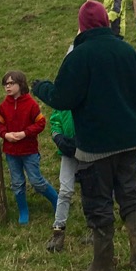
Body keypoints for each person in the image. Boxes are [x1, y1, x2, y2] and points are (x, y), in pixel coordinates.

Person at [32, 1, 136, 271]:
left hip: (96, 145)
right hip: (132, 138)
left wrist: (42, 87)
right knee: (131, 196)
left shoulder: (79, 56)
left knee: (98, 202)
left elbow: (63, 98)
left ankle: (103, 265)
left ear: (82, 25)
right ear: (106, 22)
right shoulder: (126, 50)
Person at [0, 70, 59, 224]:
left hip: (29, 151)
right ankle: (23, 211)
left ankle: (57, 202)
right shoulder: (4, 106)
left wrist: (25, 133)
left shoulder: (31, 104)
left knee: (36, 181)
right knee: (17, 183)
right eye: (5, 84)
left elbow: (41, 123)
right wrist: (5, 135)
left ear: (21, 84)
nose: (8, 87)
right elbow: (0, 125)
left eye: (11, 83)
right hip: (11, 152)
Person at [45, 104, 78, 252]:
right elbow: (55, 119)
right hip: (68, 151)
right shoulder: (64, 96)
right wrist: (58, 137)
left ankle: (96, 229)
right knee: (65, 190)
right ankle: (58, 232)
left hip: (89, 148)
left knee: (93, 190)